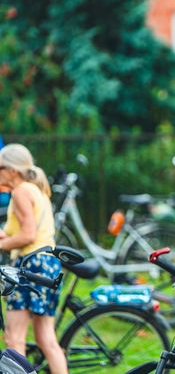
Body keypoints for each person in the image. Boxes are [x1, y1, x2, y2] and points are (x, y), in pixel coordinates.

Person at [0, 144, 68, 374]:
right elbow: (31, 232)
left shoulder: (20, 192)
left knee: (14, 338)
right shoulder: (36, 190)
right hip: (48, 264)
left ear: (12, 170)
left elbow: (28, 235)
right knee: (47, 339)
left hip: (29, 265)